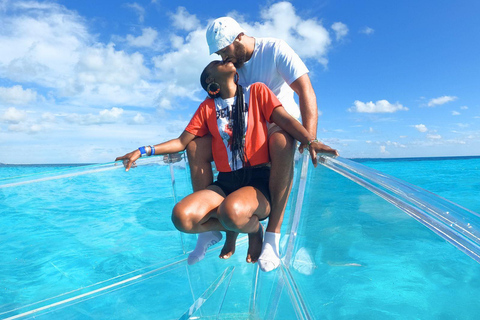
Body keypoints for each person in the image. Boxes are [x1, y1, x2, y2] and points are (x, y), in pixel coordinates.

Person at [116, 60, 338, 267]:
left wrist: (311, 140)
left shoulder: (257, 91)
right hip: (225, 181)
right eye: (217, 64)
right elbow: (182, 142)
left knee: (230, 213)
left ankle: (253, 230)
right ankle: (239, 228)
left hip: (257, 179)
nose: (224, 61)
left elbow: (285, 119)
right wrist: (142, 150)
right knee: (181, 217)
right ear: (211, 81)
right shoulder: (207, 107)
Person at [187, 17, 327, 272]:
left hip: (275, 121)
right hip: (243, 130)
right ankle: (217, 225)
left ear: (239, 37)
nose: (223, 58)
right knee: (196, 145)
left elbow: (305, 90)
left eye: (224, 50)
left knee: (282, 140)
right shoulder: (231, 67)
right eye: (218, 54)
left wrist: (311, 138)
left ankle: (272, 235)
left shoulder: (274, 49)